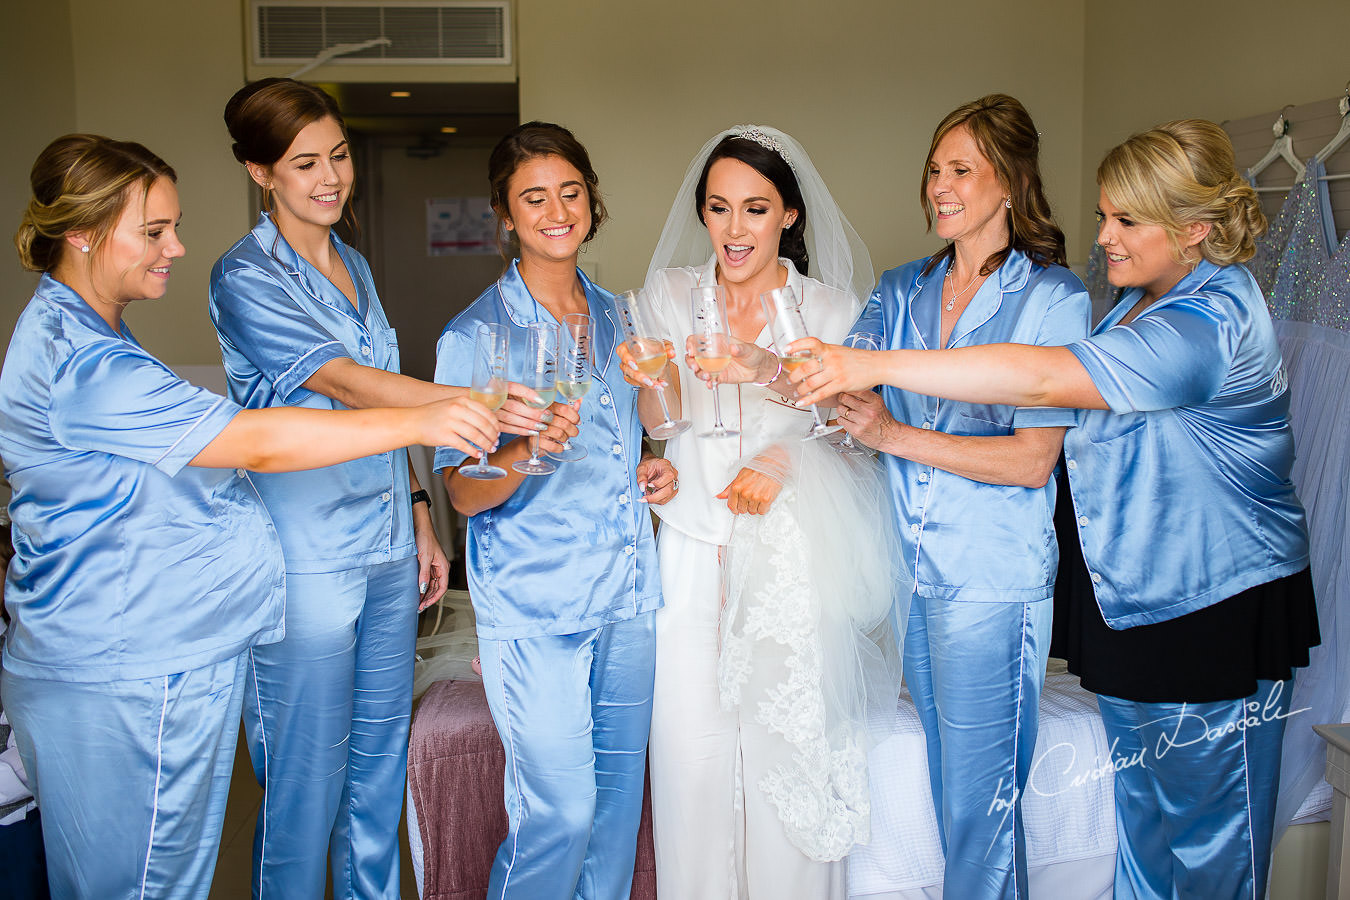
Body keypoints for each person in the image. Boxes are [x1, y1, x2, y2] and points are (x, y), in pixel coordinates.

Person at [793, 119, 1319, 900]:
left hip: (1214, 607)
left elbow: (1039, 386)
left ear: (1196, 229)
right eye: (1105, 214)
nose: (1102, 235)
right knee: (1142, 830)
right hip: (1129, 601)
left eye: (1126, 220)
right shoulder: (1136, 303)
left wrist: (872, 370)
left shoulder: (1210, 321)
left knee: (1214, 851)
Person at [0, 134, 499, 900]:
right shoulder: (87, 364)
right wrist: (430, 420)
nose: (177, 247)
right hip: (123, 665)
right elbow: (257, 441)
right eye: (155, 231)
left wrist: (420, 483)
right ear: (83, 233)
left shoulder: (98, 335)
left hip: (154, 652)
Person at [207, 79, 541, 899]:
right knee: (304, 788)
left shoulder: (353, 263)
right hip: (307, 556)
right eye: (304, 163)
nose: (330, 178)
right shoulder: (244, 276)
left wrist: (423, 515)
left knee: (377, 774)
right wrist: (472, 404)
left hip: (389, 546)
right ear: (260, 171)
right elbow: (350, 385)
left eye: (341, 156)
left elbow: (384, 389)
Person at [797, 95, 1089, 899]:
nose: (939, 188)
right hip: (912, 579)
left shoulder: (1052, 299)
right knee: (955, 797)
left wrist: (892, 434)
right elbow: (830, 387)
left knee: (980, 810)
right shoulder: (903, 288)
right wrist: (748, 363)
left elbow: (1032, 462)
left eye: (962, 170)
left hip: (993, 584)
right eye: (934, 170)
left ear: (1011, 183)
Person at [631, 125, 902, 899]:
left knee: (789, 744)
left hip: (791, 551)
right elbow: (664, 424)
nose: (734, 229)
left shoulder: (831, 306)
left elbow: (857, 436)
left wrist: (785, 456)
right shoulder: (670, 294)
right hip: (689, 541)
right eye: (719, 209)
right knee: (689, 755)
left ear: (788, 215)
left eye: (755, 209)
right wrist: (651, 382)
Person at [434, 121, 675, 900]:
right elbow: (464, 492)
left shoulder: (623, 318)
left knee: (612, 823)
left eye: (570, 192)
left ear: (591, 200)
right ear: (505, 216)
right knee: (561, 816)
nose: (556, 210)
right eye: (533, 198)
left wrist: (654, 465)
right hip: (537, 609)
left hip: (629, 601)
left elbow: (636, 440)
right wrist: (524, 449)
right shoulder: (476, 334)